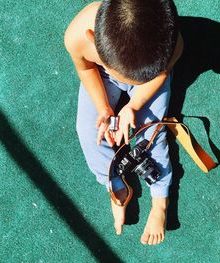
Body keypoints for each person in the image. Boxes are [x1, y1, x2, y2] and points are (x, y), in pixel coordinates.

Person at [64, 0, 183, 245]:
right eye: (125, 78)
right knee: (89, 131)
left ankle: (161, 199)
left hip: (152, 75)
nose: (129, 84)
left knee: (152, 133)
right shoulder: (77, 36)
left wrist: (134, 104)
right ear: (92, 38)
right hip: (104, 75)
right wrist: (104, 108)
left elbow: (160, 73)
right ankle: (115, 183)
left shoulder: (173, 46)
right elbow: (87, 70)